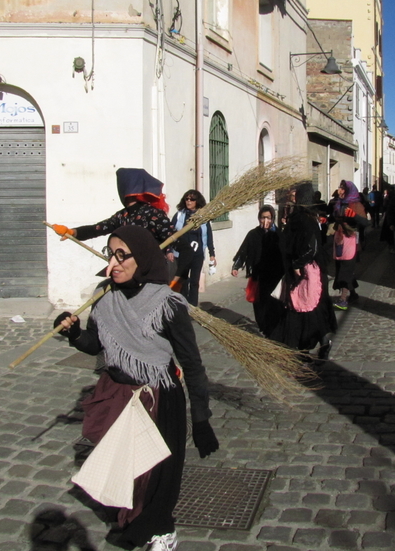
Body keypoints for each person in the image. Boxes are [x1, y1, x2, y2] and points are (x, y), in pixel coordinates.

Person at [54, 226, 218, 551]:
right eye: (109, 254)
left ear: (140, 258)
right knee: (126, 469)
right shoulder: (104, 296)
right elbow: (95, 345)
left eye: (121, 255)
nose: (113, 263)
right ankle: (134, 518)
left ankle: (162, 531)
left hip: (157, 396)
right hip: (117, 393)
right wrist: (72, 334)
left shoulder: (167, 303)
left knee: (157, 474)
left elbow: (193, 364)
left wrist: (201, 418)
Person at [269, 182, 337, 362]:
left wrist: (298, 264)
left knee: (304, 310)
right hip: (309, 271)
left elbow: (311, 247)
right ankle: (312, 347)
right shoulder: (306, 216)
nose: (291, 196)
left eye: (294, 194)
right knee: (307, 311)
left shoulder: (302, 218)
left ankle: (309, 347)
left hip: (306, 273)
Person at [51, 168, 176, 263]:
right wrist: (72, 232)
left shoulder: (154, 214)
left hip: (152, 271)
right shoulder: (122, 216)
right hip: (127, 269)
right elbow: (97, 229)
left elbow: (176, 241)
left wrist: (178, 278)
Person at [230, 205, 285, 336]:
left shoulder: (278, 235)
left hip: (274, 275)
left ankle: (271, 329)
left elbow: (284, 253)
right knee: (259, 304)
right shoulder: (253, 234)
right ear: (259, 218)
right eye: (263, 217)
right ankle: (263, 325)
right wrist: (236, 266)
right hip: (258, 275)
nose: (265, 221)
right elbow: (244, 251)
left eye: (268, 218)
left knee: (272, 304)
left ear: (273, 218)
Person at [170, 190, 215, 306]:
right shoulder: (180, 215)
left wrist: (212, 254)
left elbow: (208, 235)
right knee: (182, 280)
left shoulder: (202, 217)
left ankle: (193, 307)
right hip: (182, 254)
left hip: (197, 254)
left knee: (194, 282)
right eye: (187, 199)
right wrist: (169, 250)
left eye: (192, 199)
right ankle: (183, 305)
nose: (189, 201)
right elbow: (170, 233)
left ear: (197, 201)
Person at [329, 180, 367, 310]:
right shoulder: (338, 204)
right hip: (339, 240)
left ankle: (343, 299)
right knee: (341, 269)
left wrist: (355, 216)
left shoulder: (356, 204)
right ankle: (354, 294)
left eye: (343, 189)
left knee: (345, 270)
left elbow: (366, 223)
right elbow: (332, 218)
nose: (340, 191)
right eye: (339, 188)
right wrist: (324, 220)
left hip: (351, 241)